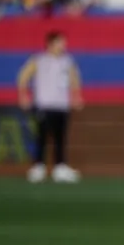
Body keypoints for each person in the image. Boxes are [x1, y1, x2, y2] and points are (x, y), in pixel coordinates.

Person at [17, 31, 84, 183]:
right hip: (44, 105)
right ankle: (38, 167)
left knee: (61, 138)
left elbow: (74, 78)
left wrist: (76, 95)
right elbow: (23, 76)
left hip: (61, 105)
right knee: (42, 137)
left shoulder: (67, 61)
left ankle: (60, 167)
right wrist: (23, 95)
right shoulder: (39, 59)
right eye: (60, 42)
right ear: (50, 44)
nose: (63, 46)